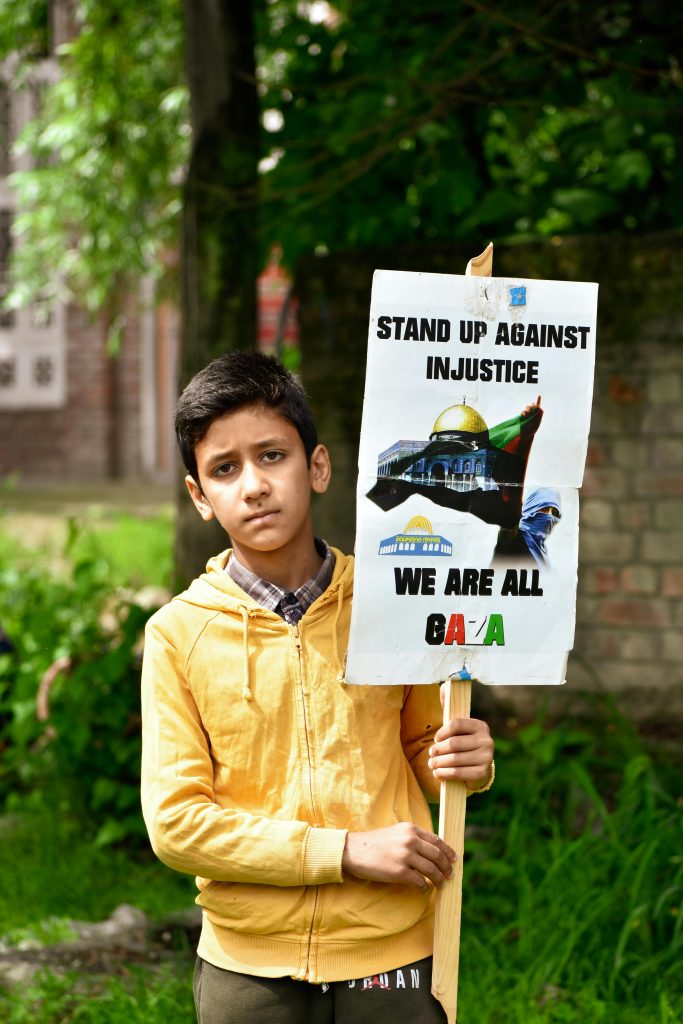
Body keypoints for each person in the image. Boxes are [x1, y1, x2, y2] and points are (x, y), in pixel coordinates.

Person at [141, 351, 494, 1024]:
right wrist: (343, 853)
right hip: (247, 970)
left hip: (389, 961)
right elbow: (177, 825)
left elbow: (426, 749)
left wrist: (465, 762)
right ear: (199, 497)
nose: (252, 485)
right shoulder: (176, 634)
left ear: (318, 466)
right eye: (224, 468)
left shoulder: (394, 602)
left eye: (272, 456)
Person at [493, 486, 562, 569]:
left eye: (554, 512)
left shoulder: (542, 550)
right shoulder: (513, 537)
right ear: (530, 508)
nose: (549, 516)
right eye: (544, 509)